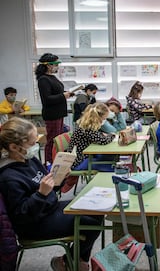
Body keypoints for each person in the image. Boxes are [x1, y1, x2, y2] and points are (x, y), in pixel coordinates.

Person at [0, 117, 102, 271]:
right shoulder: (8, 177)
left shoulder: (29, 159)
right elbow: (21, 216)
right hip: (34, 224)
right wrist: (41, 194)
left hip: (49, 208)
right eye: (32, 143)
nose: (37, 146)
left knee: (98, 212)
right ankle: (72, 261)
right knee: (91, 224)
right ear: (14, 147)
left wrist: (59, 179)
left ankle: (71, 261)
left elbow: (48, 186)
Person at [63, 103, 116, 192]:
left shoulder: (86, 125)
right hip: (79, 162)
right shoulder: (87, 128)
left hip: (84, 157)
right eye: (104, 118)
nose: (104, 120)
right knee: (110, 165)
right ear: (98, 117)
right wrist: (112, 136)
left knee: (108, 158)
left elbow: (100, 137)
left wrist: (105, 136)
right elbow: (103, 141)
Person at [35, 53, 73, 165]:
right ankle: (49, 163)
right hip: (52, 114)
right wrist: (63, 96)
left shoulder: (52, 77)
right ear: (48, 65)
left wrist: (67, 94)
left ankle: (56, 160)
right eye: (55, 64)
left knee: (58, 140)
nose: (57, 67)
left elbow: (56, 92)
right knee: (52, 140)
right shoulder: (43, 79)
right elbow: (47, 99)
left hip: (59, 113)